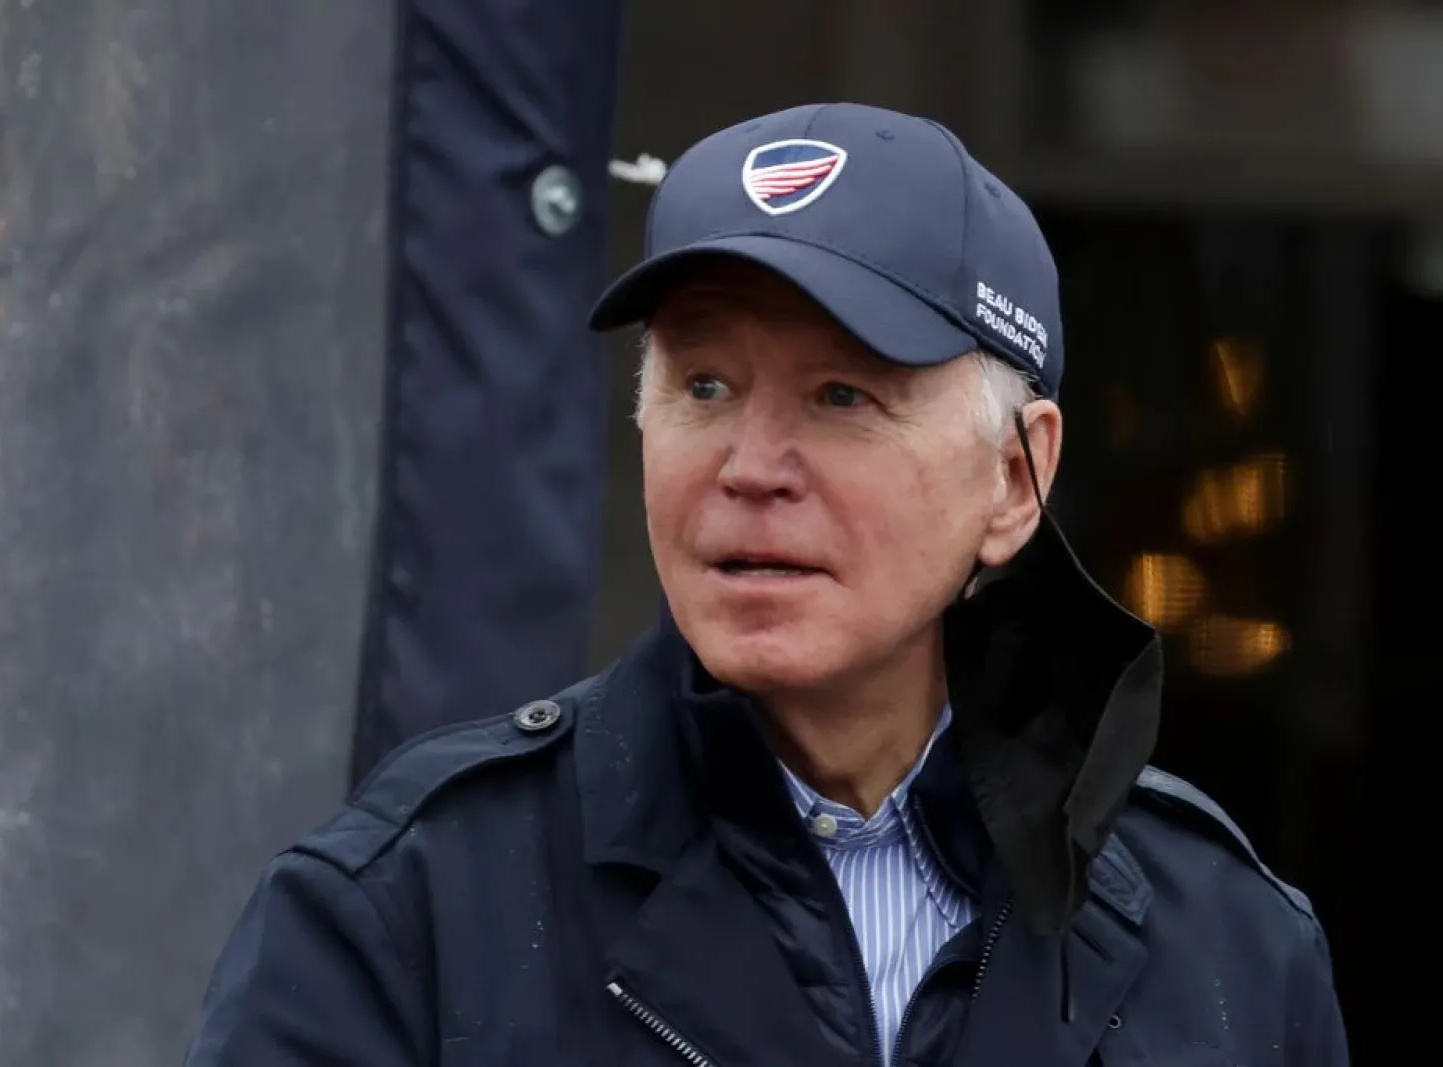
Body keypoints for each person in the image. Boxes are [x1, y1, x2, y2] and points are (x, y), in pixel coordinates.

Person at [183, 103, 1348, 1067]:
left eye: (843, 395)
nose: (748, 467)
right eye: (703, 386)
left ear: (1013, 476)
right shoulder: (411, 907)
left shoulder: (1228, 946)